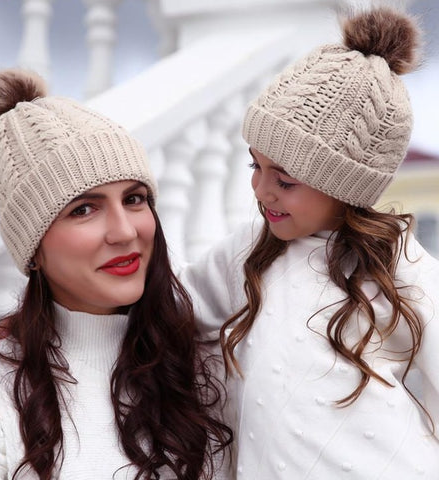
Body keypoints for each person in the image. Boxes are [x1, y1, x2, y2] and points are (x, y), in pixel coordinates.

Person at [179, 7, 439, 479]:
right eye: (254, 166)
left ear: (346, 186)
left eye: (285, 179)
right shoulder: (253, 251)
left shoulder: (395, 260)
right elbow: (174, 305)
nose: (261, 190)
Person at [0, 70, 231, 480]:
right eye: (83, 209)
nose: (125, 231)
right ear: (32, 249)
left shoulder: (205, 367)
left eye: (134, 199)